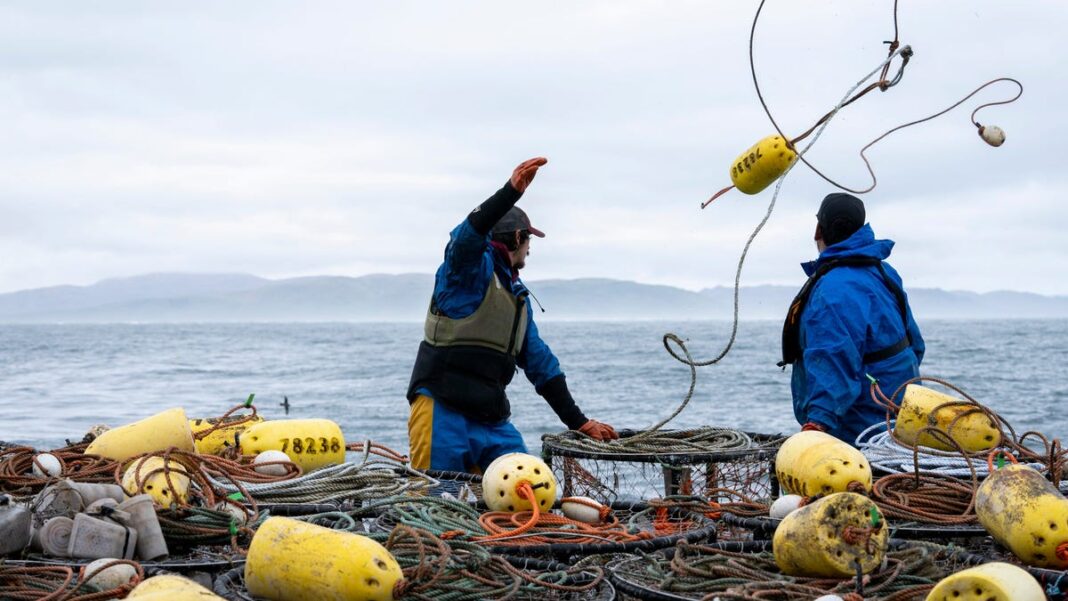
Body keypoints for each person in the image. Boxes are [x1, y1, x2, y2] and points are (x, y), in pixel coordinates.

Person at [406, 157, 618, 473]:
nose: (530, 250)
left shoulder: (518, 302)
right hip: (442, 412)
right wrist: (510, 192)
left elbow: (542, 366)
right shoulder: (464, 274)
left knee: (529, 488)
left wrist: (579, 422)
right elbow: (464, 239)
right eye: (529, 240)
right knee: (440, 502)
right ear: (518, 239)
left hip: (493, 424)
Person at [779, 192, 925, 445]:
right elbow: (915, 344)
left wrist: (817, 424)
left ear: (818, 230)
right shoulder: (884, 273)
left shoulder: (832, 291)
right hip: (901, 418)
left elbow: (833, 359)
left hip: (857, 429)